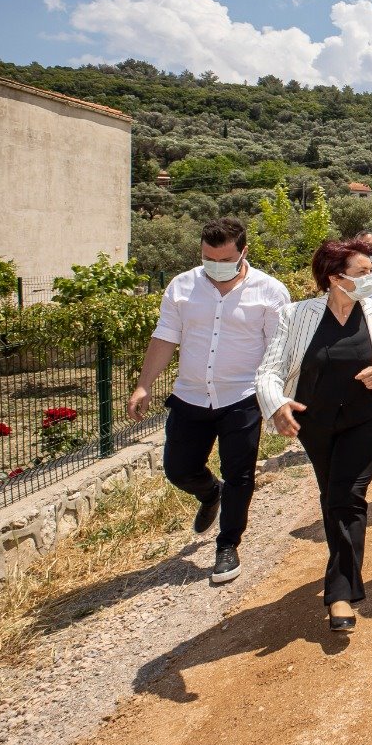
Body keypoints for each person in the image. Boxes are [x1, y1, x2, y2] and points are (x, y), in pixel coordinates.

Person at [255, 239, 372, 632]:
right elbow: (270, 370)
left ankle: (340, 592)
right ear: (336, 278)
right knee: (332, 495)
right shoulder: (296, 315)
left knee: (347, 495)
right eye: (362, 273)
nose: (371, 278)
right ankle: (344, 572)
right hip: (316, 422)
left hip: (368, 418)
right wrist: (276, 404)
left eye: (371, 271)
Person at [126, 218, 289, 585]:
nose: (215, 266)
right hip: (190, 396)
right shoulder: (182, 286)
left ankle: (228, 545)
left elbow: (278, 351)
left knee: (240, 475)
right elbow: (165, 337)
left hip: (242, 397)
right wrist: (143, 385)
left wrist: (277, 400)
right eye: (207, 258)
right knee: (178, 470)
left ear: (244, 252)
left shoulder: (270, 291)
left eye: (224, 259)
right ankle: (210, 493)